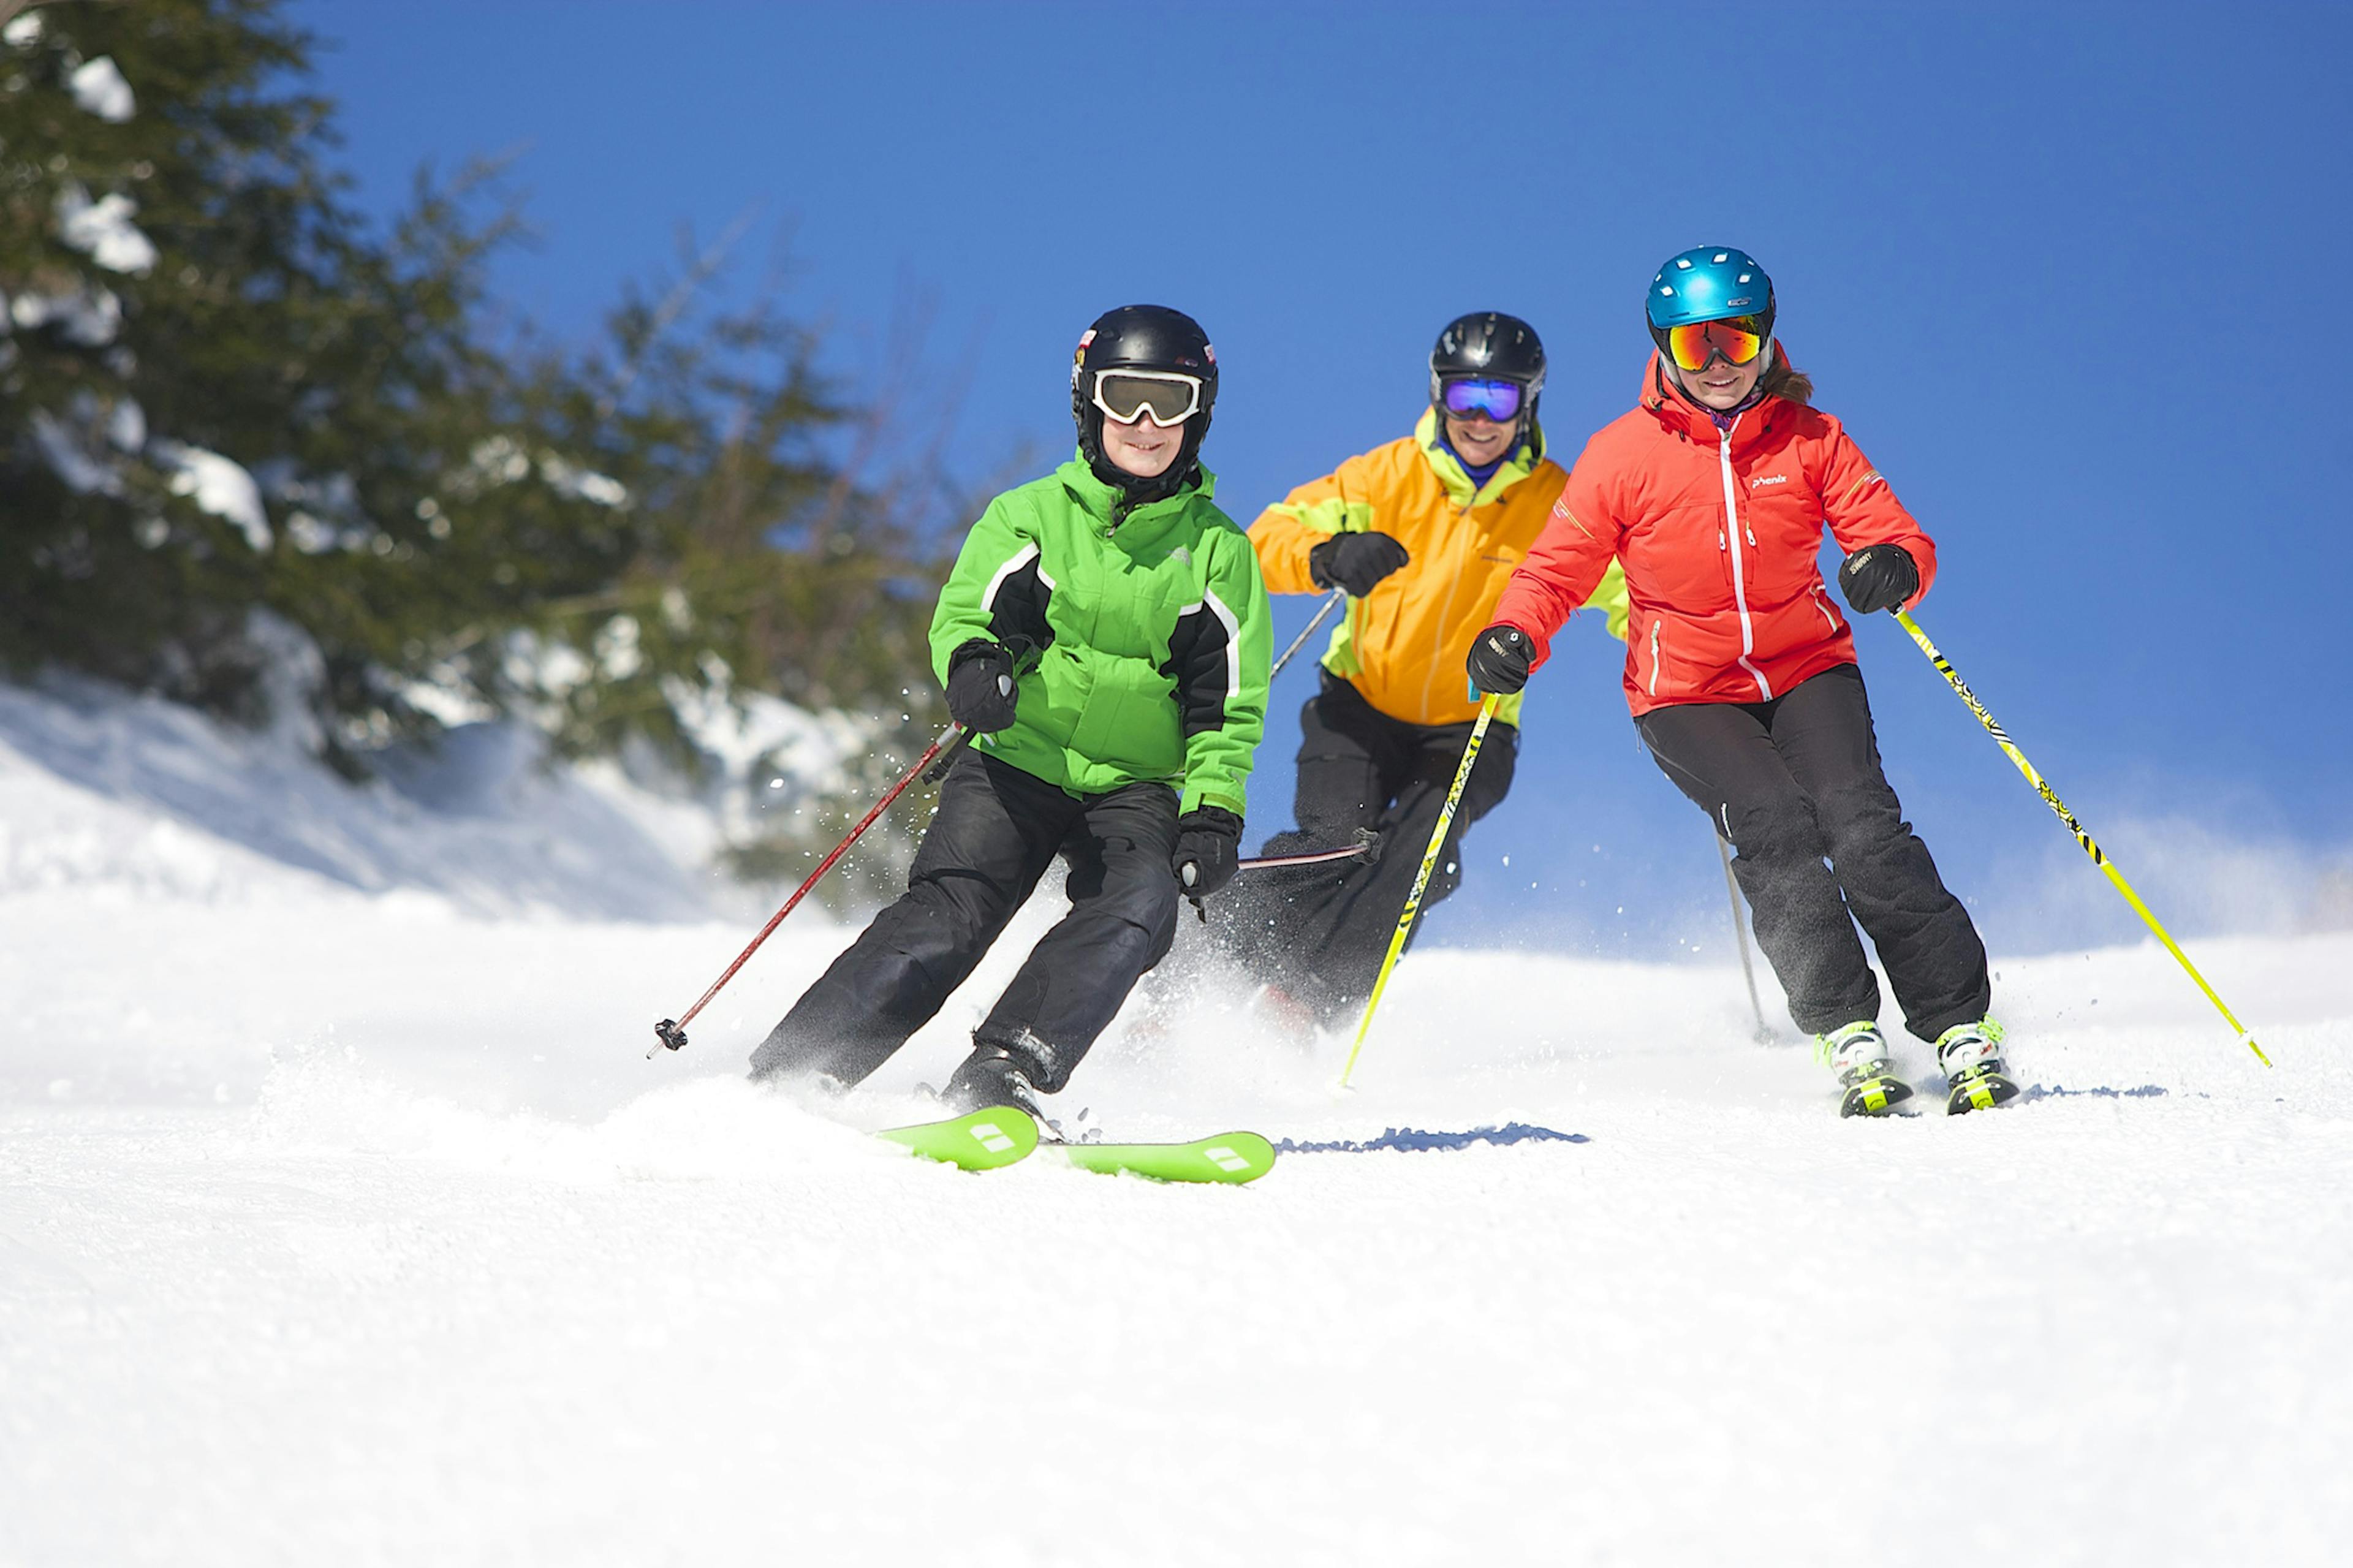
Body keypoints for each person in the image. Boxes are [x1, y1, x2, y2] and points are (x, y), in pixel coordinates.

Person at [1468, 248, 2014, 1116]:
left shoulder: (1813, 438)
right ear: (1665, 350)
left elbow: (1896, 534)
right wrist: (1511, 632)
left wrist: (1892, 568)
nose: (1720, 363)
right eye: (1696, 346)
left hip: (1806, 668)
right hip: (1685, 691)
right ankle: (1845, 1025)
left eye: (1737, 338)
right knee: (1775, 824)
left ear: (1767, 336)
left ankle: (1959, 1023)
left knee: (1862, 824)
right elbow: (1554, 570)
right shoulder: (1622, 454)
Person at [749, 305, 1271, 1113]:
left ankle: (1005, 1069)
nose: (1143, 422)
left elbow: (1227, 705)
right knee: (950, 912)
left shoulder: (1219, 554)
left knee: (1140, 902)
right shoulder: (1030, 515)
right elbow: (971, 614)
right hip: (1019, 759)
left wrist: (1213, 812)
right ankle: (792, 1075)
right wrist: (974, 667)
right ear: (1087, 400)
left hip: (1137, 784)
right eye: (1124, 396)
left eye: (1168, 401)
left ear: (1198, 413)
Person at [1213, 312, 1626, 1026]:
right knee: (1337, 846)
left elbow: (1631, 589)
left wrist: (1684, 638)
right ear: (1438, 395)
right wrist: (1330, 556)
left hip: (1472, 727)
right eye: (1464, 396)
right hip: (1361, 708)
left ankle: (1301, 1007)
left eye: (1498, 400)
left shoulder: (1558, 506)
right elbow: (1268, 536)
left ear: (1529, 402)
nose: (1478, 419)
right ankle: (1206, 956)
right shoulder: (1385, 476)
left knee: (1418, 859)